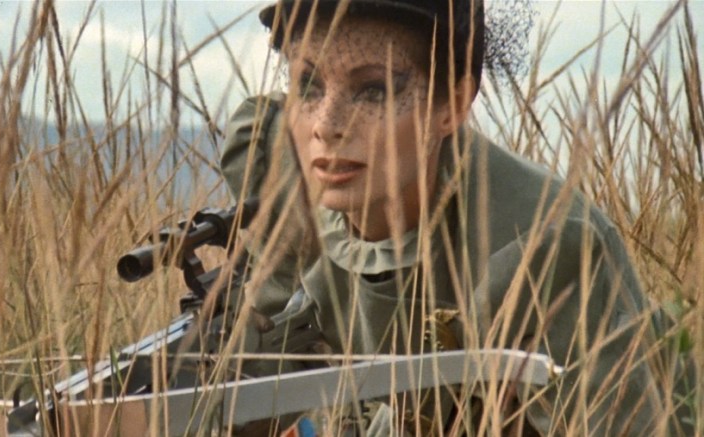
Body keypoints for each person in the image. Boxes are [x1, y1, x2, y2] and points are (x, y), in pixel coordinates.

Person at [221, 0, 694, 435]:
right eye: (308, 86)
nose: (326, 125)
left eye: (373, 90)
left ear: (451, 104)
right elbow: (251, 380)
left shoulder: (542, 245)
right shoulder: (292, 182)